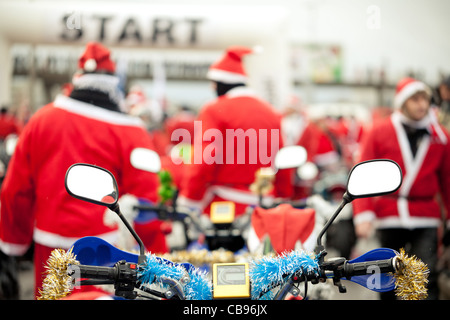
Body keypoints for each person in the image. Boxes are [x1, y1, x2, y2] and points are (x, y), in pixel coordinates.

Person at [0, 42, 168, 298]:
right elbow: (145, 202)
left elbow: (16, 190)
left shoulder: (41, 120)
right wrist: (158, 255)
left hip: (50, 249)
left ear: (78, 79)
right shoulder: (131, 131)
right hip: (107, 254)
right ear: (113, 83)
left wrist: (14, 240)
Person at [352, 77, 450, 299]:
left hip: (425, 216)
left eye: (425, 98)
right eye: (415, 99)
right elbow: (362, 173)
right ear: (403, 101)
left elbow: (448, 180)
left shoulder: (440, 136)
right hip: (389, 214)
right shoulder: (378, 131)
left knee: (423, 280)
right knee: (388, 280)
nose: (422, 105)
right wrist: (363, 213)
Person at [176, 46, 292, 217]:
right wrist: (282, 195)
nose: (212, 89)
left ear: (222, 83)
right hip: (265, 206)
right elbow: (282, 159)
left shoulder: (214, 109)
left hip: (224, 207)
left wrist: (190, 198)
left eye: (214, 84)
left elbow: (204, 159)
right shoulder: (271, 112)